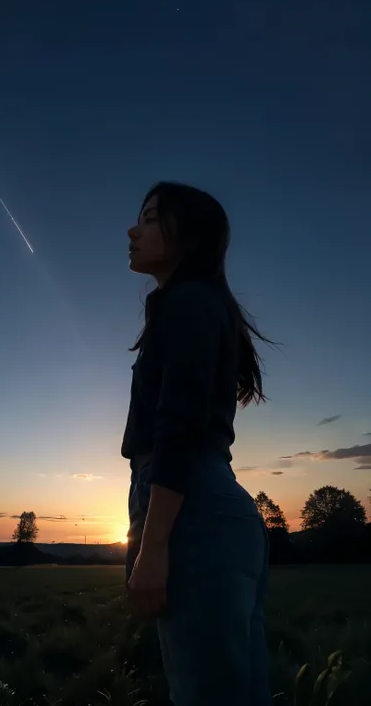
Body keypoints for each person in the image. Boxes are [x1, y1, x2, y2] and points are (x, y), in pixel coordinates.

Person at [122, 182, 274, 706]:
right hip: (208, 504)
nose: (132, 230)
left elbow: (179, 427)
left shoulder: (187, 303)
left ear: (183, 232)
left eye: (147, 218)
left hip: (190, 508)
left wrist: (154, 544)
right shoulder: (196, 305)